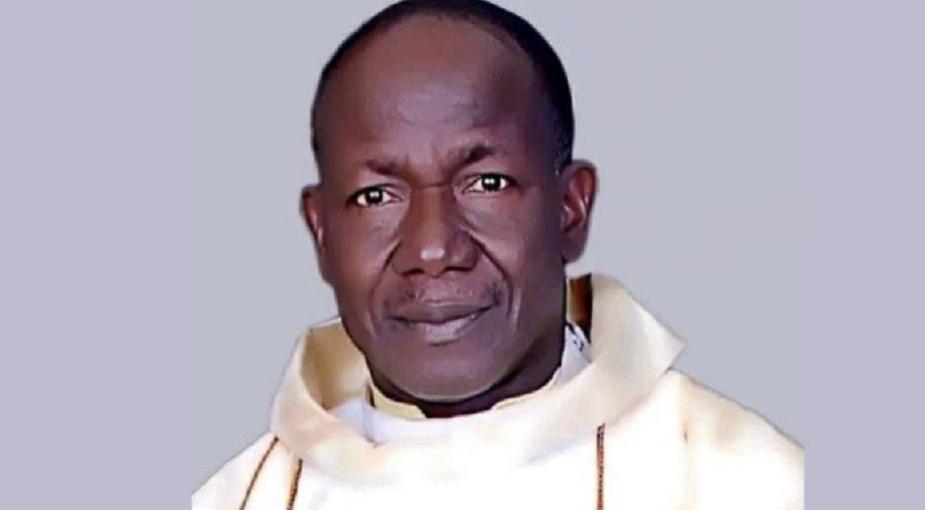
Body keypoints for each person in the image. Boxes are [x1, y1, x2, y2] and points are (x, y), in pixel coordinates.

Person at [193, 1, 803, 508]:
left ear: (571, 209)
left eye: (486, 184)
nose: (433, 249)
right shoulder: (236, 497)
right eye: (376, 196)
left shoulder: (751, 482)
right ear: (321, 232)